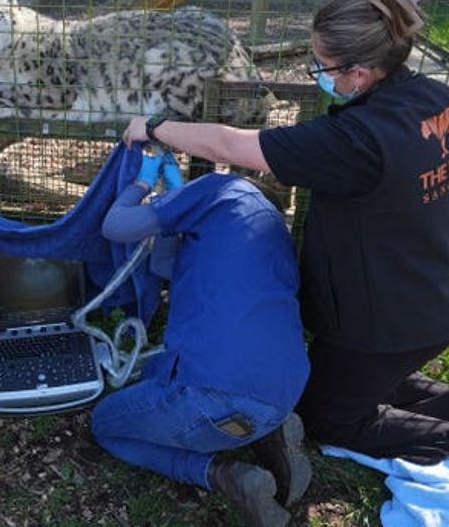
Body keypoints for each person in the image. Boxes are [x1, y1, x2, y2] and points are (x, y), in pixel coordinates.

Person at [121, 0, 449, 507]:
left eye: (321, 67)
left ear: (360, 72)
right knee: (335, 382)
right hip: (436, 289)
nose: (318, 75)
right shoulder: (441, 98)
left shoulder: (354, 141)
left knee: (328, 418)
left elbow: (233, 145)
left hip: (382, 319)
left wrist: (155, 128)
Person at [91, 149, 311, 526]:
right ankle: (265, 432)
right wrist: (173, 213)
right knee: (157, 373)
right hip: (286, 390)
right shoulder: (270, 233)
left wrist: (144, 183)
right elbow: (165, 266)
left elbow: (115, 225)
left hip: (212, 394)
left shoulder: (220, 189)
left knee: (105, 426)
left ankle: (223, 475)